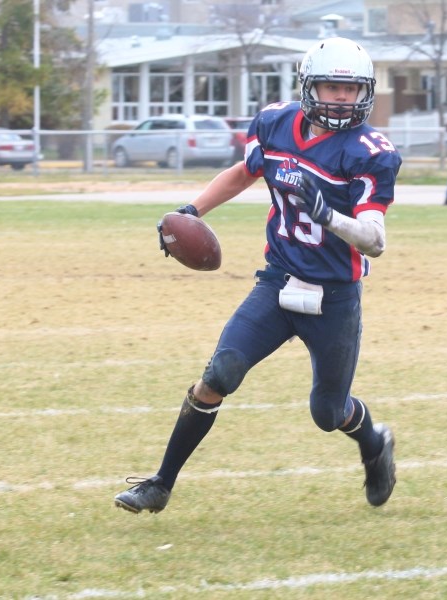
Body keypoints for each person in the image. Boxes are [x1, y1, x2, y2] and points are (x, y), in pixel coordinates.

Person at [114, 37, 402, 514]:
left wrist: (327, 215)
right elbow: (244, 172)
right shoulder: (275, 123)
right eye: (331, 86)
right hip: (278, 280)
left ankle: (373, 442)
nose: (341, 99)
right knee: (219, 373)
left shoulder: (370, 151)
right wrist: (191, 211)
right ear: (310, 86)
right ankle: (159, 484)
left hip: (334, 295)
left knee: (328, 413)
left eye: (351, 90)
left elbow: (374, 239)